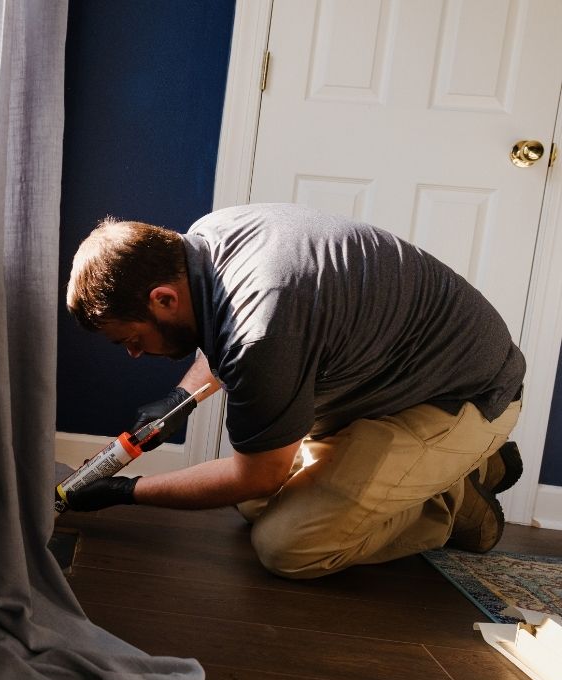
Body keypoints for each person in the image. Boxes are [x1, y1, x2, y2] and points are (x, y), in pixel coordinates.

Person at [63, 203, 525, 579]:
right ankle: (445, 466)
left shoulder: (260, 331)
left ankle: (453, 493)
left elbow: (256, 472)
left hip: (464, 397)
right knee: (254, 505)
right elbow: (225, 326)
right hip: (385, 387)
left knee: (287, 545)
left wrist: (124, 492)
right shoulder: (205, 239)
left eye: (132, 339)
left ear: (163, 299)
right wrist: (181, 398)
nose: (134, 355)